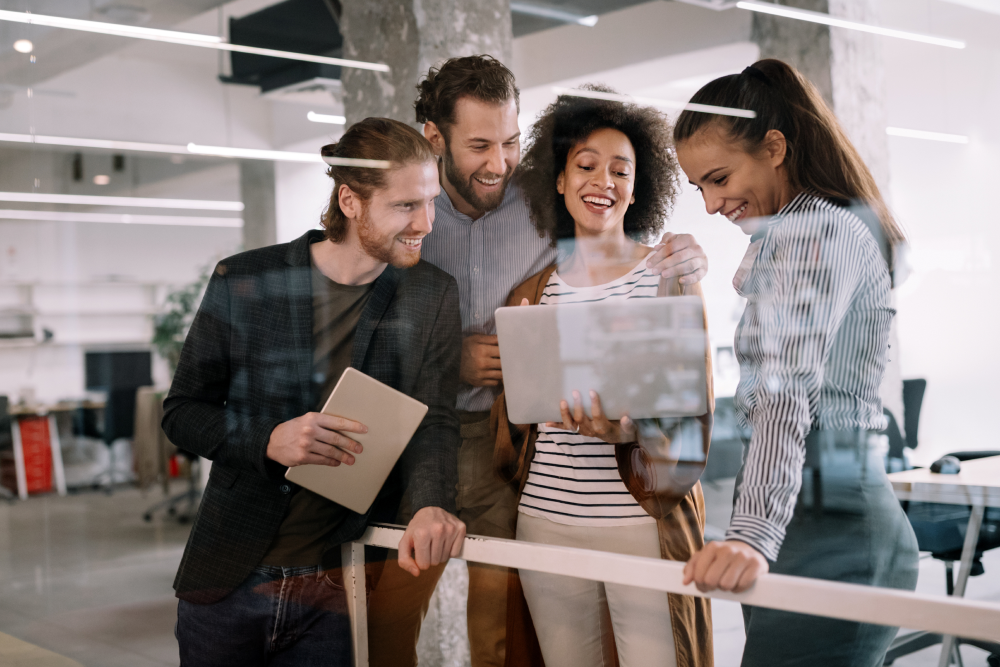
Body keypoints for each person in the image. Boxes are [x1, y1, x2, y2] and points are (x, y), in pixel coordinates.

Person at [366, 55, 712, 667]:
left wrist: (688, 251)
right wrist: (451, 363)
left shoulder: (541, 209)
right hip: (428, 436)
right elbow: (358, 333)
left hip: (519, 461)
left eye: (510, 142)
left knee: (501, 638)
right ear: (435, 138)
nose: (499, 162)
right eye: (480, 145)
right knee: (384, 620)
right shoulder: (405, 214)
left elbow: (686, 400)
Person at [163, 117, 467, 666]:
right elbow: (183, 412)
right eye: (405, 206)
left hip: (337, 583)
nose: (426, 222)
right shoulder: (244, 279)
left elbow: (436, 423)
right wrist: (268, 440)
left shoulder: (432, 294)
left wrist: (430, 505)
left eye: (430, 202)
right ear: (350, 201)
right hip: (230, 576)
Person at [674, 59, 918, 666]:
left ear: (775, 147)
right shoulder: (796, 235)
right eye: (697, 186)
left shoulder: (813, 235)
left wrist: (751, 534)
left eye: (719, 177)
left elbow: (786, 395)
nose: (709, 204)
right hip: (806, 518)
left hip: (836, 526)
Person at [491, 88, 714, 667]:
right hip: (545, 518)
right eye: (586, 166)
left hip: (638, 523)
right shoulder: (530, 294)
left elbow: (691, 413)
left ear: (637, 188)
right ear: (559, 182)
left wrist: (630, 435)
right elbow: (516, 421)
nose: (603, 181)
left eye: (621, 169)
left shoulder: (667, 277)